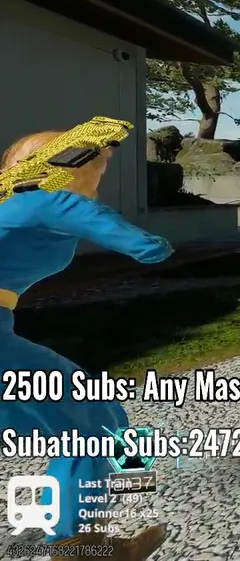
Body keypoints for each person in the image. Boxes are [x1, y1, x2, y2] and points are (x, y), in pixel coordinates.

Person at [0, 129, 173, 560]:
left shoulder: (13, 203)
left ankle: (83, 533)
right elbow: (146, 247)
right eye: (93, 163)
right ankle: (78, 544)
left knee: (99, 411)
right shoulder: (48, 199)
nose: (98, 171)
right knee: (88, 424)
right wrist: (157, 246)